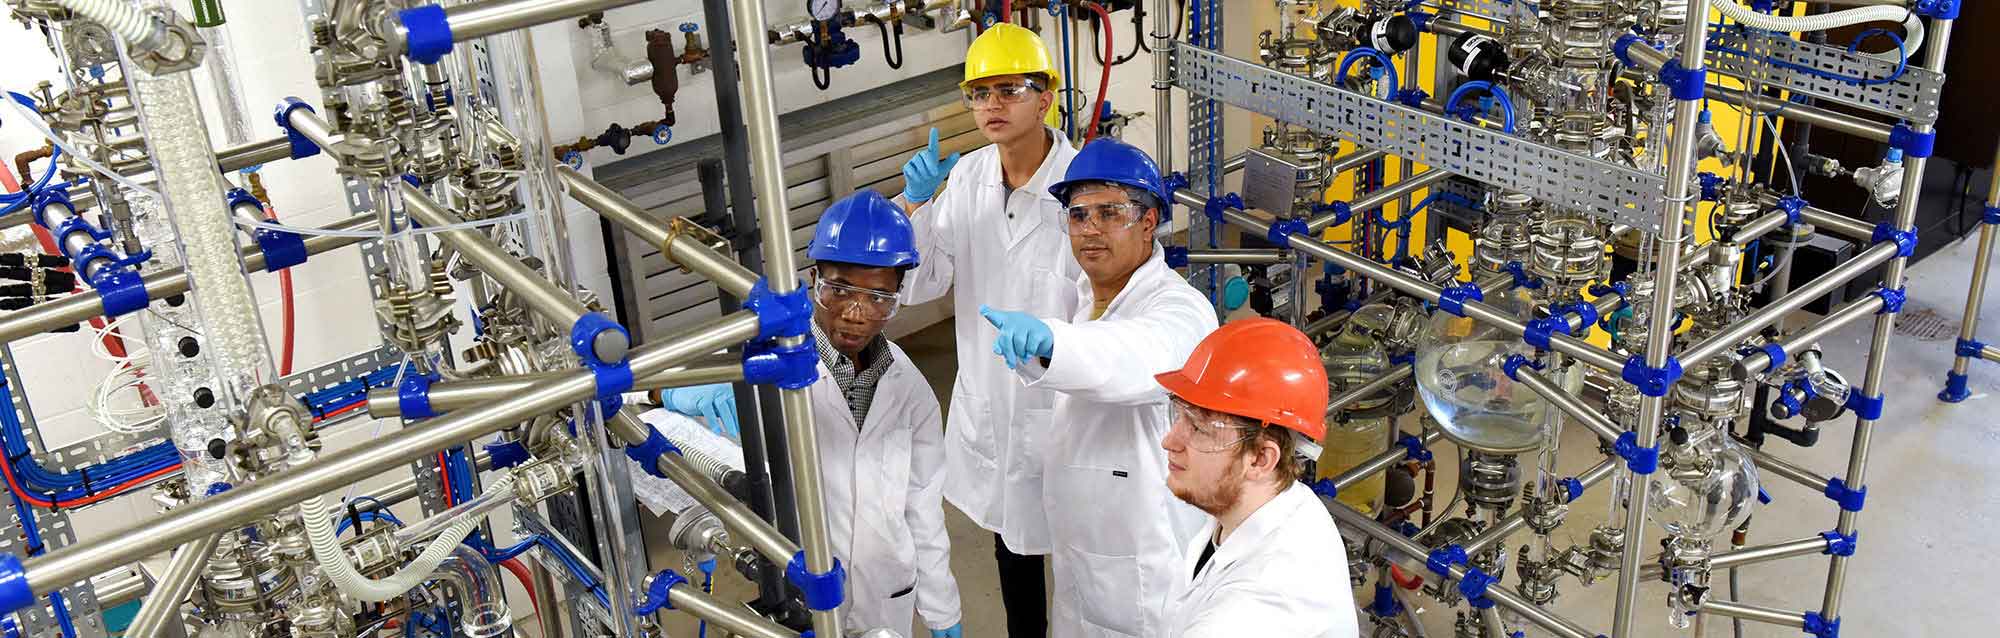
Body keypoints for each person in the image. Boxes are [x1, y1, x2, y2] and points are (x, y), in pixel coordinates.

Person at [654, 191, 963, 637]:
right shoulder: (765, 363)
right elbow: (633, 399)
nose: (857, 313)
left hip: (888, 590)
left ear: (898, 294)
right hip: (801, 587)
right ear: (813, 278)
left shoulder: (909, 387)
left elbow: (923, 507)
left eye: (879, 297)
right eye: (839, 290)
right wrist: (672, 392)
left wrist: (942, 611)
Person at [981, 138, 1217, 638]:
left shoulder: (1182, 309)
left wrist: (1053, 345)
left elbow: (1134, 357)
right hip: (1081, 557)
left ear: (1149, 222)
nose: (1090, 229)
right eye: (1078, 214)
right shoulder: (1086, 298)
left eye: (1110, 213)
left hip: (1142, 567)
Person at [895, 21, 1081, 637]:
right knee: (1013, 553)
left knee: (1086, 560)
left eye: (1009, 88)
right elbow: (924, 282)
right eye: (979, 92)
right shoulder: (970, 177)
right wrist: (918, 206)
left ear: (1046, 96)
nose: (992, 105)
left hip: (1067, 405)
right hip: (991, 403)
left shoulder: (1084, 186)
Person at [1154, 318, 1360, 637]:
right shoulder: (1269, 502)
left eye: (1197, 428)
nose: (1170, 440)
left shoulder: (1261, 607)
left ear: (1261, 459)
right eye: (1178, 415)